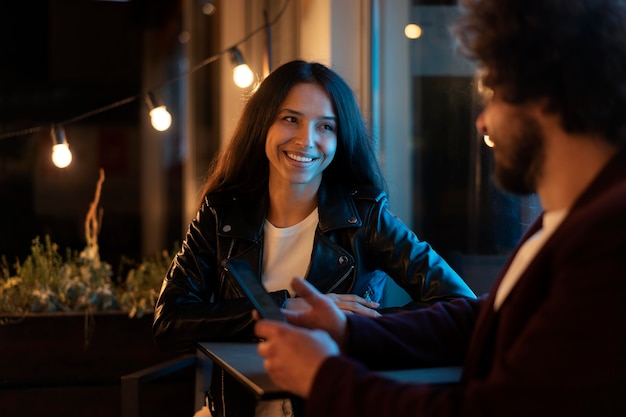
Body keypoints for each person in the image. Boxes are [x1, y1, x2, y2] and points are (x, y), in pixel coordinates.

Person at [254, 1, 626, 416]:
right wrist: (348, 331)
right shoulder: (563, 223)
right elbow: (481, 317)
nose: (482, 123)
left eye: (496, 93)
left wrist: (324, 379)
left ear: (544, 95)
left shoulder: (610, 236)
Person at [152, 60, 476, 417]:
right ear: (263, 123)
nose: (306, 139)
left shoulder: (365, 217)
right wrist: (287, 309)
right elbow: (170, 321)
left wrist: (352, 328)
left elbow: (457, 302)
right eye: (290, 119)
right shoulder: (221, 214)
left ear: (340, 138)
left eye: (325, 127)